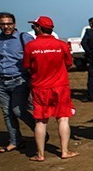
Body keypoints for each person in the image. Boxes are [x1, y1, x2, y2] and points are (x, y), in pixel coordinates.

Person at [22, 16, 78, 161]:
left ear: (39, 28)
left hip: (40, 87)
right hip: (60, 86)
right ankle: (64, 151)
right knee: (63, 118)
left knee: (40, 121)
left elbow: (26, 66)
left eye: (35, 26)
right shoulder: (62, 45)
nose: (34, 29)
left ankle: (40, 154)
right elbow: (69, 64)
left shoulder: (30, 46)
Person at [0, 12, 36, 153]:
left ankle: (39, 130)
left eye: (9, 23)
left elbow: (34, 56)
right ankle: (15, 141)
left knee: (18, 111)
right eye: (3, 24)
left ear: (14, 23)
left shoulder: (24, 37)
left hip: (19, 80)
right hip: (1, 81)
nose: (6, 26)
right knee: (7, 113)